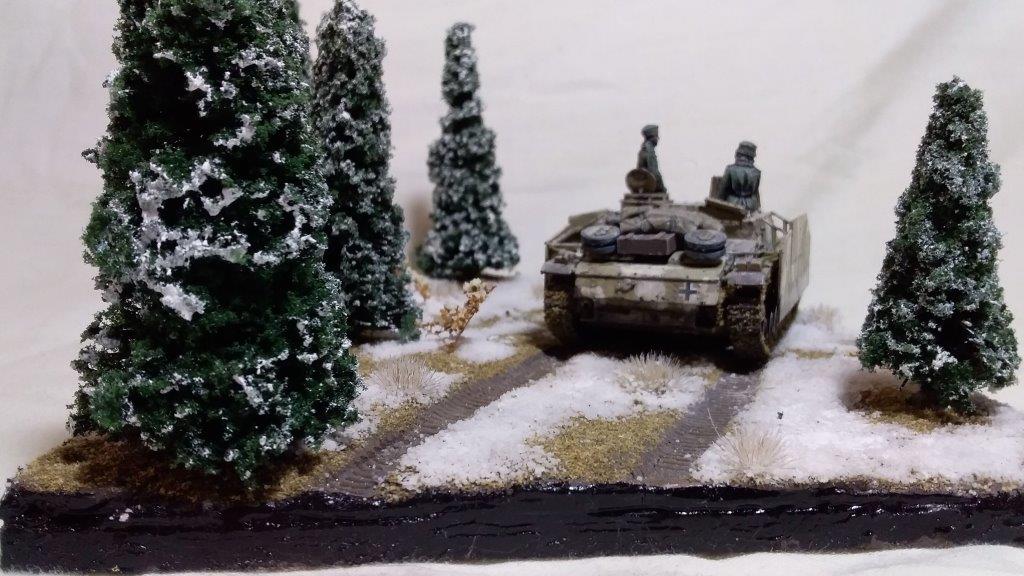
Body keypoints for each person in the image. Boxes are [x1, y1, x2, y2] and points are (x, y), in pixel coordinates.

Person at [717, 141, 761, 211]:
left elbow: (722, 191)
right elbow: (755, 193)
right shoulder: (757, 172)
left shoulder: (730, 169)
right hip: (751, 206)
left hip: (732, 204)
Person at [636, 124, 667, 193]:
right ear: (652, 137)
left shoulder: (644, 149)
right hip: (650, 187)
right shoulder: (649, 151)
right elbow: (654, 173)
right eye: (657, 136)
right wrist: (662, 188)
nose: (658, 138)